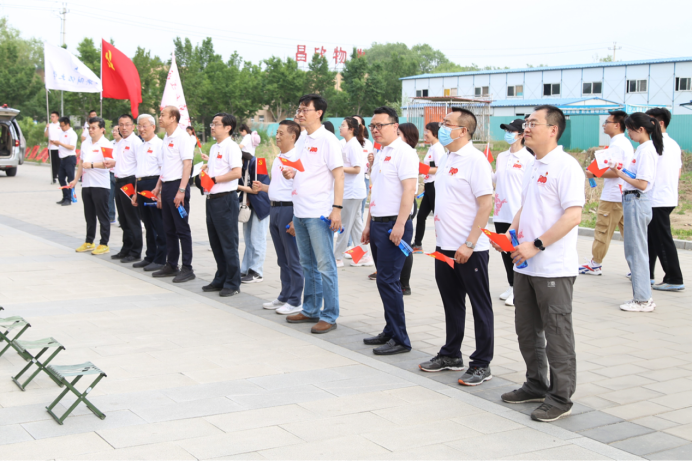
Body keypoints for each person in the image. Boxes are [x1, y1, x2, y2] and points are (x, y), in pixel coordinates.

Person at [492, 105, 585, 423]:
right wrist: (509, 235)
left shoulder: (566, 166)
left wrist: (537, 244)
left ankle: (560, 397)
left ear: (553, 129)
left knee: (557, 334)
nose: (526, 128)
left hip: (553, 267)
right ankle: (535, 384)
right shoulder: (532, 164)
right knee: (527, 331)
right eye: (526, 123)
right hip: (525, 265)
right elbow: (525, 207)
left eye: (533, 123)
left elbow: (573, 216)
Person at [418, 108, 495, 387]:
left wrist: (469, 243)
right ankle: (451, 354)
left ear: (463, 130)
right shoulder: (447, 157)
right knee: (452, 304)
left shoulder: (476, 161)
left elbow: (485, 204)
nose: (441, 127)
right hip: (444, 246)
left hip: (469, 248)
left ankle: (482, 363)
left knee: (480, 306)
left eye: (447, 123)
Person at [282, 94, 344, 334]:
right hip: (300, 211)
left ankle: (329, 315)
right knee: (307, 264)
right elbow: (302, 168)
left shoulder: (328, 140)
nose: (300, 113)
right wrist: (291, 173)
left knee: (325, 266)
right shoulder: (303, 139)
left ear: (319, 113)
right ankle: (310, 310)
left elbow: (339, 175)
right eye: (299, 109)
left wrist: (336, 209)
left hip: (319, 213)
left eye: (304, 109)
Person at [361, 106, 418, 355]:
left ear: (395, 126)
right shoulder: (380, 152)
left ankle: (400, 339)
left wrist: (400, 224)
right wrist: (368, 224)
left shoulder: (404, 152)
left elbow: (409, 190)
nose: (375, 130)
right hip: (378, 223)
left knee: (389, 281)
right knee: (384, 281)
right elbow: (376, 191)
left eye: (380, 125)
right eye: (372, 126)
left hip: (394, 225)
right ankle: (390, 329)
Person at [612, 113, 663, 312]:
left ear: (640, 129)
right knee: (635, 250)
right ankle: (642, 297)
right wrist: (623, 171)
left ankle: (642, 299)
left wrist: (620, 174)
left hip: (636, 200)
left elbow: (642, 183)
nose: (629, 134)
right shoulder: (643, 148)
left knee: (636, 251)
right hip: (633, 200)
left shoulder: (646, 150)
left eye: (630, 129)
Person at [253, 120, 305, 315]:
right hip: (274, 209)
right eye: (277, 132)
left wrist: (295, 218)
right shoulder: (279, 158)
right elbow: (278, 188)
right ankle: (284, 295)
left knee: (293, 258)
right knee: (282, 259)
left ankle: (295, 300)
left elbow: (300, 190)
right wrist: (263, 187)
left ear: (293, 136)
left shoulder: (297, 159)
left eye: (281, 133)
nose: (277, 136)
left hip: (288, 210)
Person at [579, 111, 634, 277]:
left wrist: (594, 173)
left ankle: (595, 264)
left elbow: (617, 171)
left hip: (613, 196)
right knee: (629, 234)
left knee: (603, 229)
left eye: (607, 122)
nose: (604, 125)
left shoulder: (617, 145)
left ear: (617, 125)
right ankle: (637, 267)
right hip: (623, 194)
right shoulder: (623, 143)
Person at [493, 119, 535, 306]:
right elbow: (496, 179)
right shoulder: (502, 156)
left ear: (521, 134)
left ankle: (519, 290)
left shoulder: (528, 158)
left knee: (515, 251)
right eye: (506, 130)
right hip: (500, 211)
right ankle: (512, 285)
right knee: (504, 251)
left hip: (517, 213)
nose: (508, 134)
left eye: (511, 131)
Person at [151, 106, 196, 283]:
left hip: (178, 186)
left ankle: (187, 268)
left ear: (173, 118)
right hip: (167, 186)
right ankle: (171, 264)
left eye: (163, 115)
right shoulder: (166, 138)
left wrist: (182, 191)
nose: (160, 118)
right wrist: (158, 187)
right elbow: (165, 166)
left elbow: (187, 165)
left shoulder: (183, 137)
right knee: (168, 228)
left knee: (181, 229)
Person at [202, 113, 244, 297]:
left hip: (225, 199)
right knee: (216, 242)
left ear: (228, 128)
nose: (212, 127)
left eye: (216, 124)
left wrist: (214, 179)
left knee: (228, 243)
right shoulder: (214, 147)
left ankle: (233, 283)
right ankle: (221, 277)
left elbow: (237, 173)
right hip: (212, 199)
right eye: (212, 124)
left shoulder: (231, 147)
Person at [646, 108, 684, 292]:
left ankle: (674, 278)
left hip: (658, 199)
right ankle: (647, 274)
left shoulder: (655, 144)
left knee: (662, 239)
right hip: (666, 197)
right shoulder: (673, 144)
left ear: (660, 123)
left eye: (649, 121)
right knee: (652, 239)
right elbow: (678, 172)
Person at [69, 117, 113, 255]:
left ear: (102, 129)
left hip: (100, 185)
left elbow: (109, 163)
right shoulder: (85, 143)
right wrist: (75, 180)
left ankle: (104, 244)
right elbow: (81, 162)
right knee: (89, 215)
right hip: (87, 184)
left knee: (102, 215)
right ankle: (89, 242)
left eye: (94, 127)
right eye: (89, 127)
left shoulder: (106, 144)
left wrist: (92, 165)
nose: (91, 130)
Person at [105, 115, 144, 263]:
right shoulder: (120, 143)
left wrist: (136, 189)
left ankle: (135, 251)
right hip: (119, 181)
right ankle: (126, 248)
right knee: (123, 218)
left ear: (133, 126)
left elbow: (139, 165)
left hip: (130, 182)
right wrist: (113, 163)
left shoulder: (136, 142)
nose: (124, 127)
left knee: (132, 218)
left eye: (127, 124)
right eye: (121, 124)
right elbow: (123, 161)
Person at [335, 117, 373, 268]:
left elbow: (357, 169)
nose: (340, 128)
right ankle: (364, 256)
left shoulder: (353, 145)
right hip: (352, 192)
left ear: (351, 129)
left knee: (344, 225)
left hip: (351, 192)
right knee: (356, 225)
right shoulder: (349, 144)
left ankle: (337, 258)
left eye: (343, 125)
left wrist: (339, 168)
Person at [131, 114, 166, 272]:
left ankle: (161, 259)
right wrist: (135, 192)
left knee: (158, 223)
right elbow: (138, 170)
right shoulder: (140, 146)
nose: (141, 129)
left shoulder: (159, 145)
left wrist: (160, 192)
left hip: (153, 185)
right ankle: (150, 256)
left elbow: (163, 170)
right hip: (141, 184)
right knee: (147, 223)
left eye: (144, 125)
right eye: (139, 126)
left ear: (153, 127)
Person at [237, 150, 271, 284]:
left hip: (261, 205)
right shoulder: (239, 166)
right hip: (248, 205)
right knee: (248, 240)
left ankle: (257, 272)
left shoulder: (257, 163)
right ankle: (246, 269)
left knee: (258, 239)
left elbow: (257, 189)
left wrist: (236, 186)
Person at [412, 122, 445, 254]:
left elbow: (440, 169)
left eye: (427, 132)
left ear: (435, 134)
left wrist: (423, 169)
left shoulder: (438, 149)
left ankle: (443, 245)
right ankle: (417, 244)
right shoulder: (431, 148)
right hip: (429, 185)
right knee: (421, 216)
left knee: (438, 217)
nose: (425, 134)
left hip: (435, 186)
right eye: (425, 131)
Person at [396, 123, 420, 296]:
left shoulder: (408, 153)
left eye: (398, 134)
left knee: (404, 247)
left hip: (406, 206)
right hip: (393, 208)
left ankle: (405, 284)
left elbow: (411, 189)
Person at [53, 117, 78, 206]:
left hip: (69, 158)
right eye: (60, 126)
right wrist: (56, 143)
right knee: (61, 178)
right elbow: (62, 145)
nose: (62, 127)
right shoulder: (61, 133)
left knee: (70, 180)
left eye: (63, 126)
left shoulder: (72, 134)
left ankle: (70, 198)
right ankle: (65, 196)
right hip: (62, 159)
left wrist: (60, 143)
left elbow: (71, 147)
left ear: (68, 124)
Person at [108, 126, 122, 225]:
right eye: (113, 131)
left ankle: (121, 219)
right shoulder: (109, 144)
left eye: (117, 131)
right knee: (109, 196)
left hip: (119, 174)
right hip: (110, 172)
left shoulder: (124, 143)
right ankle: (110, 217)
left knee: (120, 198)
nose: (114, 132)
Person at [44, 111, 61, 184]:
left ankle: (60, 176)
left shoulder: (60, 125)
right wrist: (47, 128)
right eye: (51, 116)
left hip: (59, 147)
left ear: (57, 117)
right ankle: (53, 177)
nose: (52, 118)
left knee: (59, 163)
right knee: (53, 163)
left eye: (53, 116)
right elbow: (46, 135)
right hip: (51, 148)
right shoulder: (49, 125)